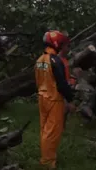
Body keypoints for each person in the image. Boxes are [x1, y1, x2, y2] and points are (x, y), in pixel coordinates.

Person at [35, 30, 77, 169]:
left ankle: (45, 156)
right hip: (54, 99)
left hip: (42, 97)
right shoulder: (55, 60)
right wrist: (70, 100)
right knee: (53, 132)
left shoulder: (40, 60)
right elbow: (61, 83)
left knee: (44, 129)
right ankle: (48, 162)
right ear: (57, 43)